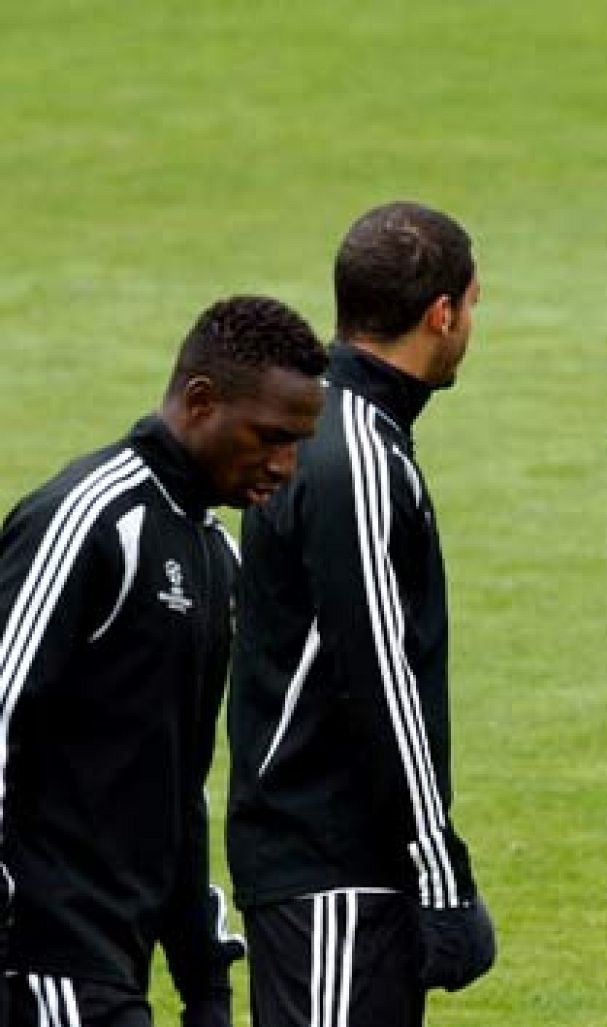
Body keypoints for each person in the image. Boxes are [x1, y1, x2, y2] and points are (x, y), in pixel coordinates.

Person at [0, 296, 327, 1026]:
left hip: (114, 963)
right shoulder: (88, 520)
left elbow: (179, 776)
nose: (285, 464)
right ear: (201, 401)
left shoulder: (216, 555)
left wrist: (204, 975)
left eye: (299, 442)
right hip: (42, 959)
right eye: (271, 436)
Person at [226, 201, 494, 1027]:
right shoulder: (360, 455)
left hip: (310, 862)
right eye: (475, 304)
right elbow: (381, 673)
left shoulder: (323, 426)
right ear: (441, 313)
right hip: (334, 865)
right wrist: (442, 873)